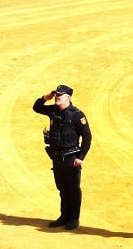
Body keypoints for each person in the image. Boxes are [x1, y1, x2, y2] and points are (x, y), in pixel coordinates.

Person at [32, 84, 92, 230]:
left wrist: (81, 157)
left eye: (60, 95)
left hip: (71, 158)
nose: (57, 98)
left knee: (73, 189)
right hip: (57, 157)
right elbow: (37, 107)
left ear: (68, 98)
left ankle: (73, 218)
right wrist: (47, 96)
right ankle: (64, 215)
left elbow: (87, 137)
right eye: (56, 95)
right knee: (62, 188)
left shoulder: (77, 115)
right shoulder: (53, 111)